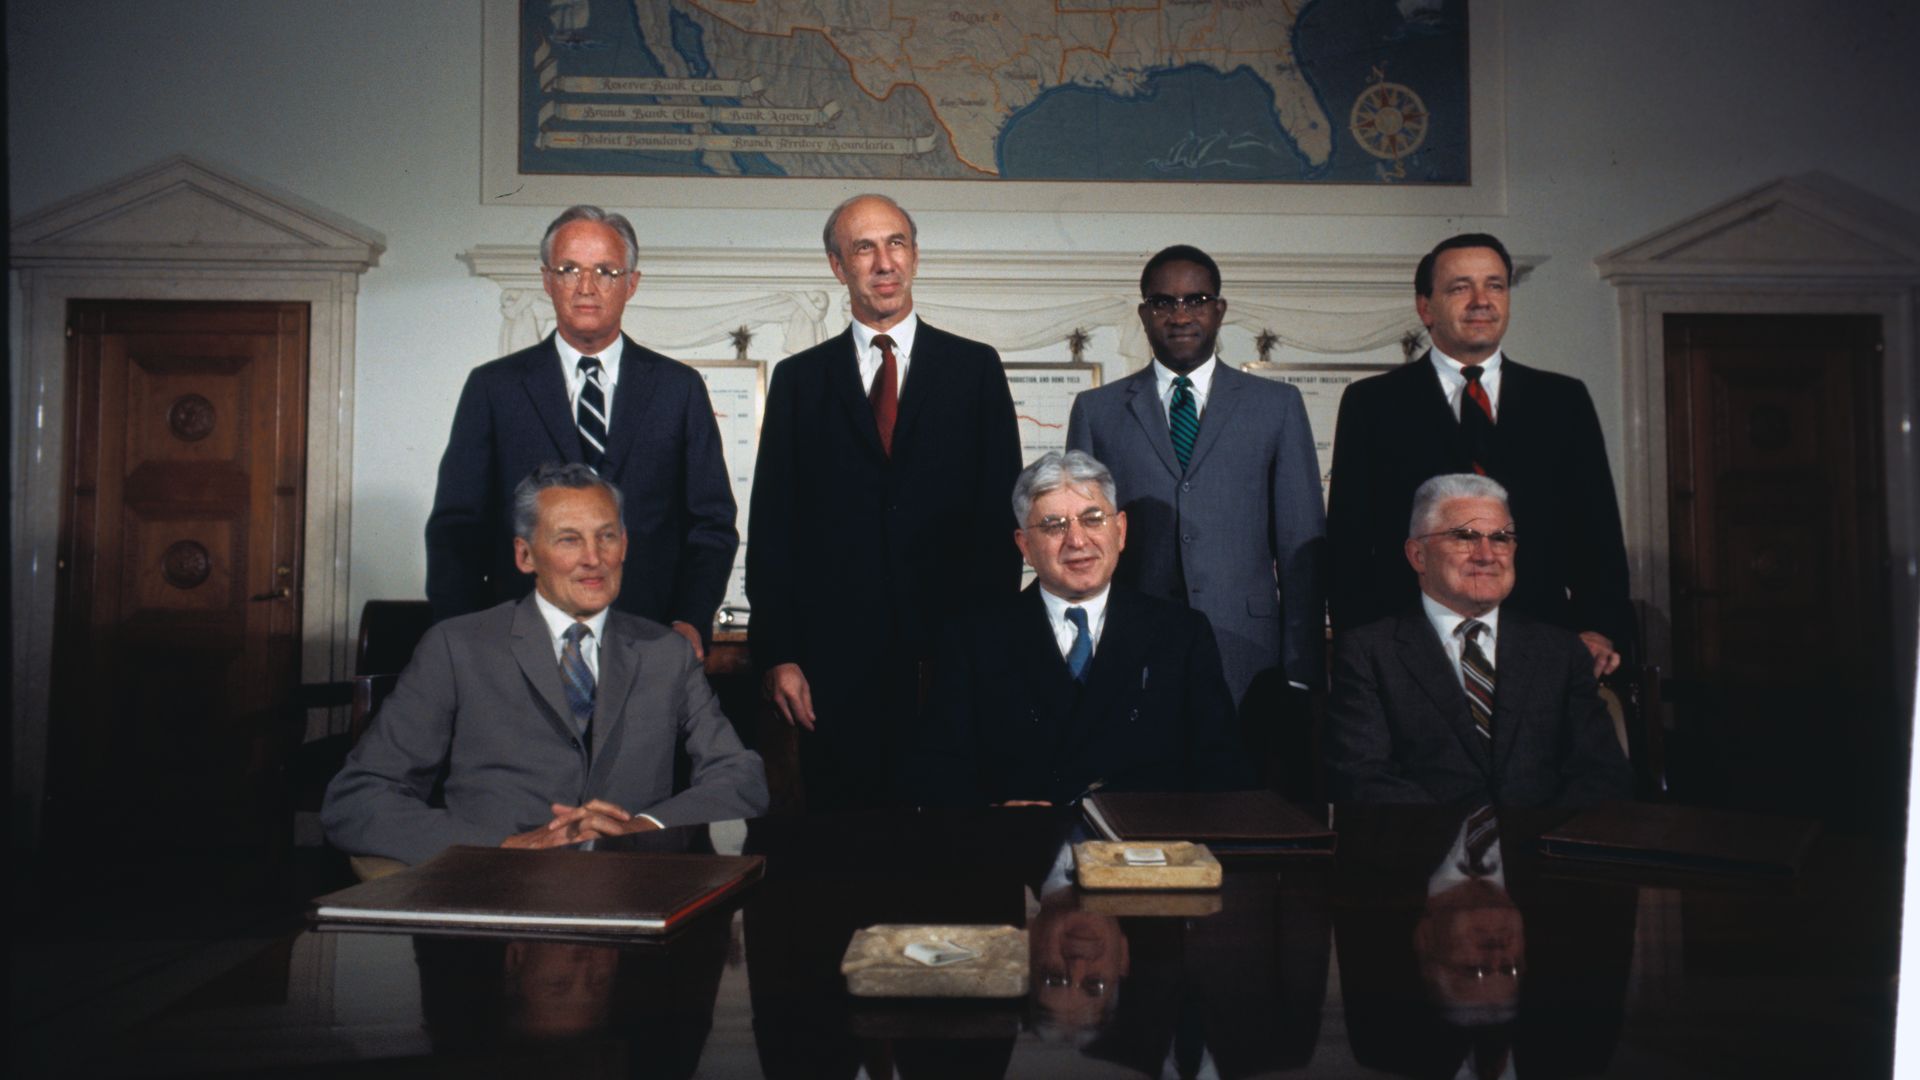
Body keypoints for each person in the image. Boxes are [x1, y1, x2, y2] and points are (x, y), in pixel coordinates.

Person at [324, 463, 768, 866]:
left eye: (606, 535)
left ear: (625, 545)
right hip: (496, 900)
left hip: (630, 897)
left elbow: (740, 777)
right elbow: (357, 799)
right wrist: (502, 848)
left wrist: (640, 828)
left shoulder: (665, 653)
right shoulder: (456, 647)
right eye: (568, 539)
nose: (593, 558)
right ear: (525, 555)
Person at [747, 193, 1022, 811]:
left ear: (916, 256)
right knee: (846, 862)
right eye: (863, 248)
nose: (883, 262)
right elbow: (773, 531)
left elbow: (999, 526)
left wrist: (990, 654)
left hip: (951, 665)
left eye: (896, 243)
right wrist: (780, 655)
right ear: (836, 266)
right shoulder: (799, 381)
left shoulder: (974, 370)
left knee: (953, 866)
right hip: (833, 674)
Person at [426, 204, 737, 659]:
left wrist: (690, 619)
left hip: (648, 641)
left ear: (631, 283)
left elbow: (711, 524)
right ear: (547, 280)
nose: (586, 287)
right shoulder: (495, 388)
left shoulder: (678, 389)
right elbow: (457, 530)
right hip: (516, 643)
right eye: (569, 269)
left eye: (606, 271)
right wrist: (461, 641)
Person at [1066, 244, 1325, 774]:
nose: (1180, 314)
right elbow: (1080, 546)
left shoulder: (1276, 406)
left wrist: (1302, 666)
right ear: (1144, 314)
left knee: (1242, 803)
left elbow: (1301, 544)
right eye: (1163, 303)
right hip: (1132, 647)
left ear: (1219, 310)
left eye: (1196, 300)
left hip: (1248, 651)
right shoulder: (1097, 411)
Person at [1327, 232, 1632, 677]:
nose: (1481, 300)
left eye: (1495, 285)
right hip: (1410, 650)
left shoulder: (1562, 400)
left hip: (1541, 642)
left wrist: (1599, 629)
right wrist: (1362, 649)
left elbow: (1597, 530)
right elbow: (1349, 541)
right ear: (1425, 307)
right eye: (1459, 287)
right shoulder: (1372, 403)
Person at [911, 450, 1249, 806]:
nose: (1076, 540)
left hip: (1146, 850)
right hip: (1024, 850)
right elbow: (937, 772)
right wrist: (995, 814)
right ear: (1024, 546)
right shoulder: (974, 639)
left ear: (1119, 531)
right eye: (1054, 525)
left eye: (1092, 519)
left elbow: (1224, 774)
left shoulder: (1181, 635)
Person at [1324, 473, 1632, 807]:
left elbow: (1602, 774)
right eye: (1465, 536)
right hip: (1425, 851)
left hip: (1541, 850)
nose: (1486, 555)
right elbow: (1363, 779)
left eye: (1501, 538)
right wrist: (1458, 846)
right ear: (1418, 556)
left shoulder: (1560, 651)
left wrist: (1535, 845)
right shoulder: (1369, 653)